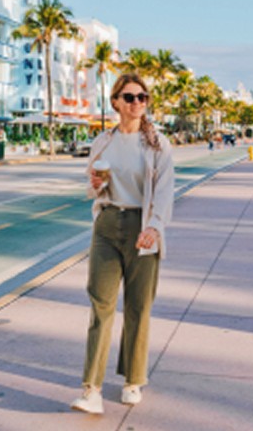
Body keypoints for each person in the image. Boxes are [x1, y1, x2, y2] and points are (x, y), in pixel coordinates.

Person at [71, 73, 175, 415]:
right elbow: (92, 188)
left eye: (143, 98)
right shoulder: (103, 141)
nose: (137, 104)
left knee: (137, 306)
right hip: (107, 223)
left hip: (141, 227)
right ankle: (92, 389)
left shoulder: (158, 143)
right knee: (100, 303)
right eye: (130, 97)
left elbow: (164, 192)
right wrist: (97, 182)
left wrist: (155, 227)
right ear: (115, 101)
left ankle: (133, 380)